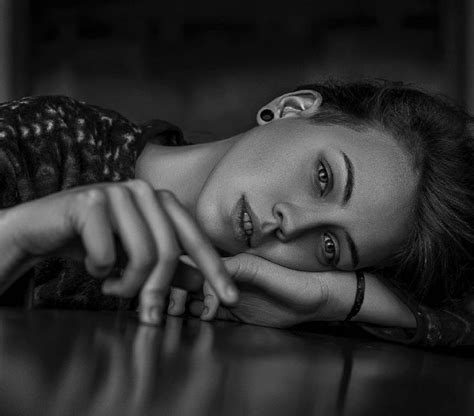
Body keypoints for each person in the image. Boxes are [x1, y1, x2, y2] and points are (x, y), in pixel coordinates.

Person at [0, 79, 472, 348]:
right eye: (324, 178)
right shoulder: (46, 143)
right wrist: (21, 236)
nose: (294, 224)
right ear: (291, 108)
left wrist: (330, 297)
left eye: (330, 247)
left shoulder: (270, 302)